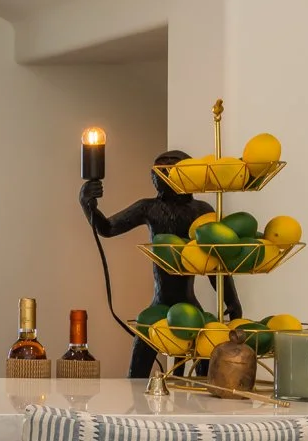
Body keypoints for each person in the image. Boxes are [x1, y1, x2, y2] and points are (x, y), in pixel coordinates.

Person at [81, 149, 242, 378]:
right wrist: (87, 205)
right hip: (160, 307)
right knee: (139, 362)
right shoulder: (149, 208)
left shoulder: (201, 211)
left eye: (172, 167)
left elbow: (213, 260)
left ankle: (201, 394)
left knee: (206, 360)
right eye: (160, 168)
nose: (165, 172)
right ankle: (136, 398)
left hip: (189, 307)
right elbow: (107, 228)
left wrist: (231, 300)